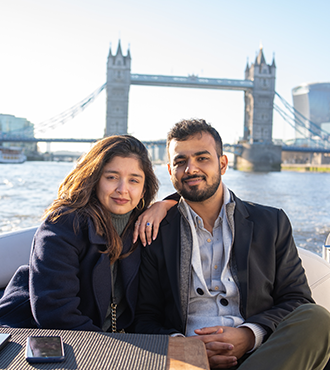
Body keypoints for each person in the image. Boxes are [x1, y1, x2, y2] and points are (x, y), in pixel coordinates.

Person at [134, 119, 330, 369]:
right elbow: (144, 317)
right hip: (186, 360)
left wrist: (249, 336)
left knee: (317, 319)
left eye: (202, 158)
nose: (191, 169)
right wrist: (187, 348)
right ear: (170, 171)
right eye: (180, 161)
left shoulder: (271, 222)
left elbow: (297, 300)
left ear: (223, 164)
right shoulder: (155, 231)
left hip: (262, 354)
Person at [0, 135, 171, 332]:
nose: (122, 189)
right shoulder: (63, 225)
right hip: (32, 335)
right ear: (94, 179)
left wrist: (166, 203)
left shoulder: (145, 227)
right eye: (111, 177)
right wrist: (116, 350)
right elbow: (57, 314)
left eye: (134, 180)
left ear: (144, 189)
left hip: (110, 339)